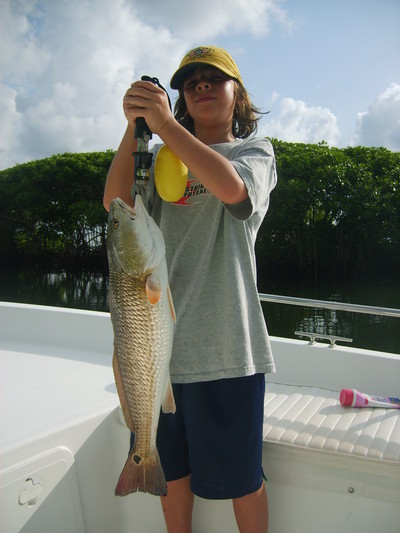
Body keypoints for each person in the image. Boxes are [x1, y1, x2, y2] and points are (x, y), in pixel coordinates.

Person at [103, 45, 277, 533]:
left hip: (227, 351)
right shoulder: (160, 159)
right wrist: (137, 125)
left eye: (213, 78)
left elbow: (233, 191)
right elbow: (116, 204)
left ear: (238, 94)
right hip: (155, 356)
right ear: (181, 97)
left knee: (243, 481)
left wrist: (166, 125)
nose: (201, 85)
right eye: (190, 81)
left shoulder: (253, 153)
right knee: (169, 472)